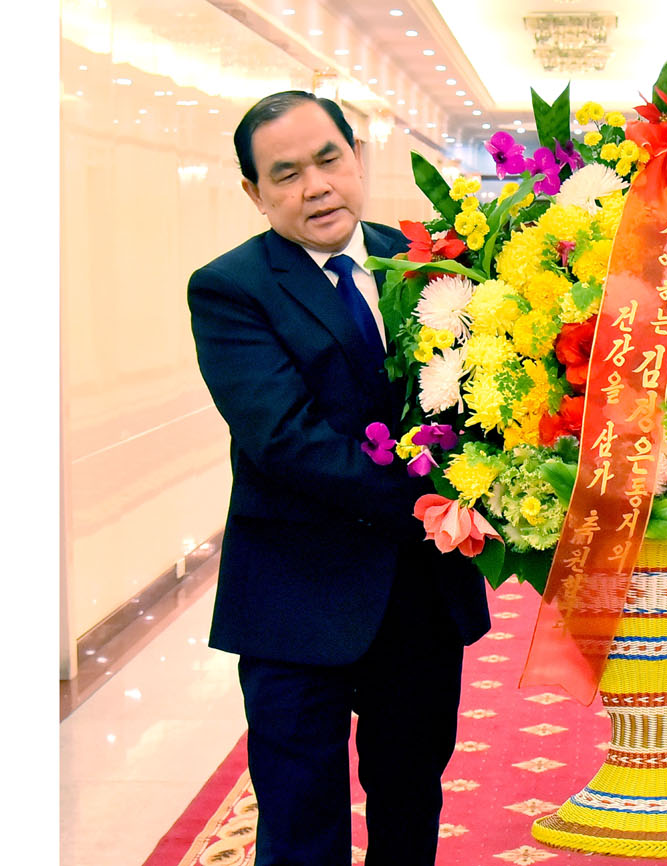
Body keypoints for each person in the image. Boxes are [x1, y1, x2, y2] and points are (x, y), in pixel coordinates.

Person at [188, 91, 490, 865]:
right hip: (296, 599)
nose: (315, 186)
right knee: (299, 823)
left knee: (411, 801)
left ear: (357, 156)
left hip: (419, 600)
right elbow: (285, 440)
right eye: (284, 175)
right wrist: (432, 503)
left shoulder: (431, 264)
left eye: (328, 159)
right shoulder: (229, 289)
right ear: (255, 193)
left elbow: (486, 398)